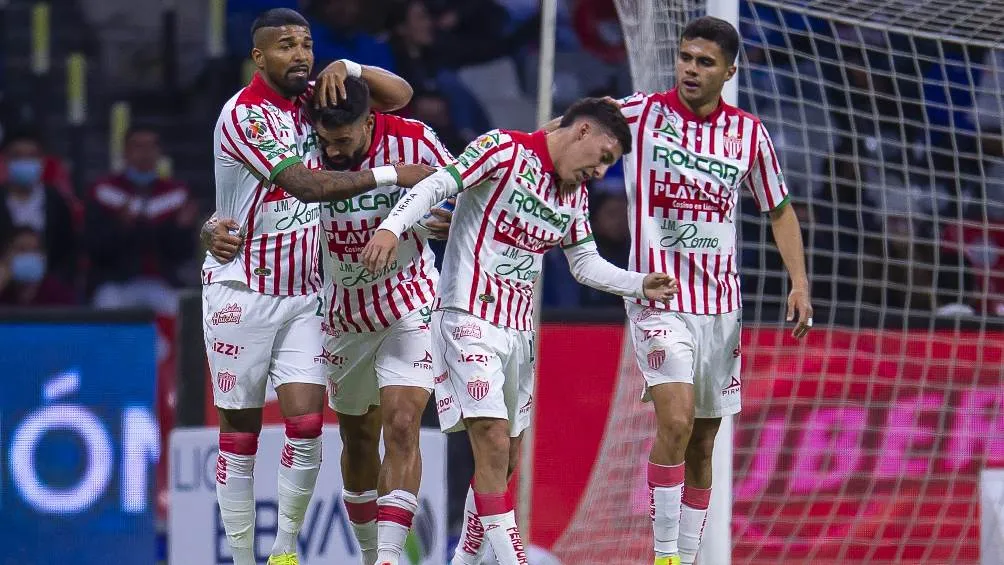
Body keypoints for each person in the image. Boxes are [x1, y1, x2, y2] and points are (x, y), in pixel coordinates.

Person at [361, 97, 680, 565]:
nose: (600, 171)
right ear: (583, 132)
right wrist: (392, 227)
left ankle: (464, 561)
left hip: (518, 334)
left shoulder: (573, 197)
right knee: (489, 438)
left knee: (505, 459)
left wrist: (638, 284)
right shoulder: (502, 149)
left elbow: (585, 263)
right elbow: (436, 186)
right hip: (467, 317)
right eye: (604, 158)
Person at [202, 8, 432, 565]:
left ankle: (284, 552)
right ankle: (239, 554)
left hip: (307, 294)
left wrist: (349, 64)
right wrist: (389, 175)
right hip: (242, 289)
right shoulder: (246, 116)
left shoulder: (310, 103)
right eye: (285, 46)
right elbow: (303, 184)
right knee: (240, 429)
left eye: (305, 43)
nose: (300, 55)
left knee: (306, 425)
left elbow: (397, 98)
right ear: (258, 57)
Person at [608, 17, 813, 565]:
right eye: (685, 58)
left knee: (702, 442)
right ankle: (665, 556)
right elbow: (568, 131)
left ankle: (689, 556)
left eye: (704, 62)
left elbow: (779, 209)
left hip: (720, 306)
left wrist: (799, 284)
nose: (691, 70)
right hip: (658, 298)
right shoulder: (642, 113)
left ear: (729, 71)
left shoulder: (749, 133)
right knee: (673, 420)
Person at [85, 126, 197, 315]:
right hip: (116, 283)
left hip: (162, 282)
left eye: (151, 147)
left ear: (159, 152)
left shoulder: (176, 194)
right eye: (138, 147)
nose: (145, 154)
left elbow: (183, 253)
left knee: (177, 310)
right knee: (106, 305)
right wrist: (121, 225)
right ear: (125, 152)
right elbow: (94, 247)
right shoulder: (103, 191)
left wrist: (181, 230)